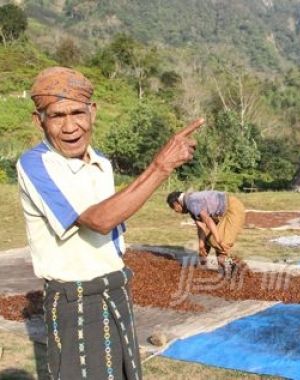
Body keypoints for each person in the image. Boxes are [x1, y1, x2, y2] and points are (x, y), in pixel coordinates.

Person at [16, 66, 204, 380]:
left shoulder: (101, 162)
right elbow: (99, 220)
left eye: (78, 112)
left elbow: (114, 222)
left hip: (114, 289)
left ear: (93, 112)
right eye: (57, 115)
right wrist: (161, 167)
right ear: (39, 120)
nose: (70, 126)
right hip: (74, 299)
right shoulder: (36, 164)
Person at [167, 190, 245, 273]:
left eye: (173, 207)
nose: (175, 211)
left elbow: (208, 220)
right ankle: (221, 267)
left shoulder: (191, 202)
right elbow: (202, 226)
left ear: (176, 203)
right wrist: (201, 245)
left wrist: (219, 240)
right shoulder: (189, 204)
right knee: (208, 239)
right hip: (219, 213)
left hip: (232, 208)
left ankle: (235, 266)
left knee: (219, 242)